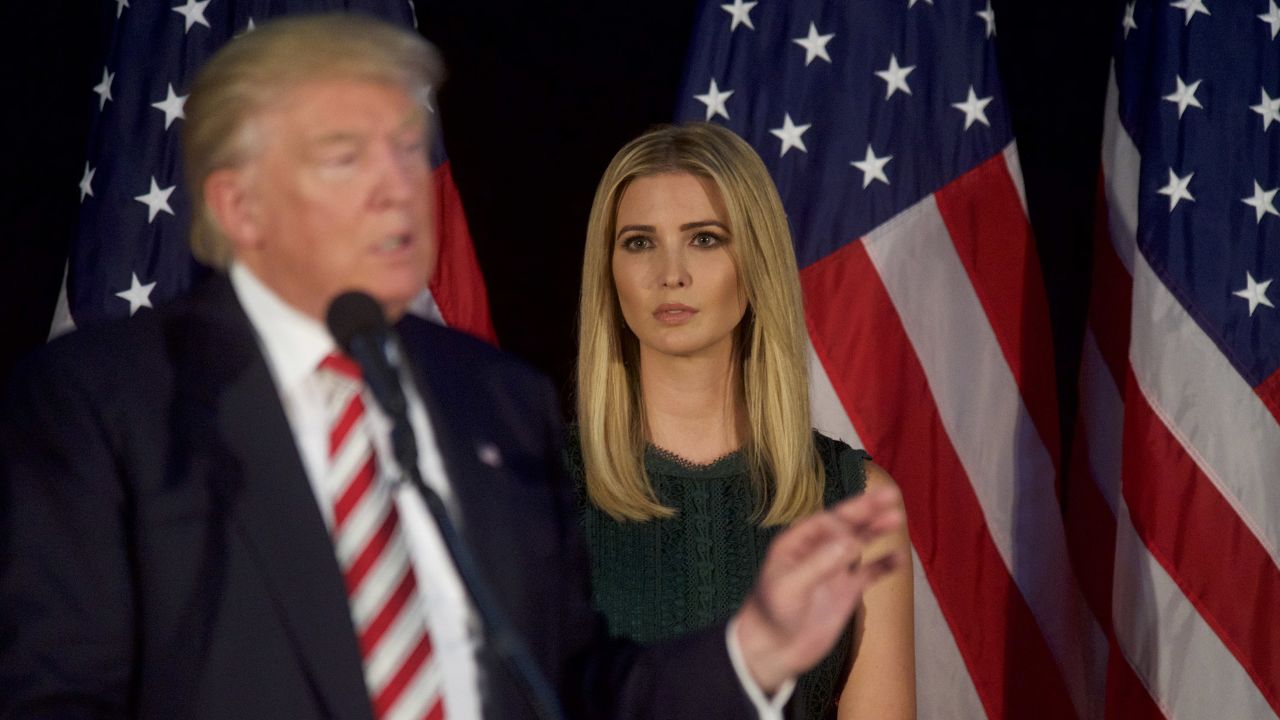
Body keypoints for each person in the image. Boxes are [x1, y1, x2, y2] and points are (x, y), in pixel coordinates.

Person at [0, 14, 906, 720]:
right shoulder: (102, 404)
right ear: (239, 205)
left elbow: (573, 691)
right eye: (347, 156)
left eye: (406, 148)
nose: (398, 185)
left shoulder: (495, 403)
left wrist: (754, 645)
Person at [571, 123, 917, 719]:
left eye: (705, 239)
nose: (670, 273)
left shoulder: (854, 500)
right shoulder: (541, 493)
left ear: (755, 263)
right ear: (608, 272)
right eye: (638, 242)